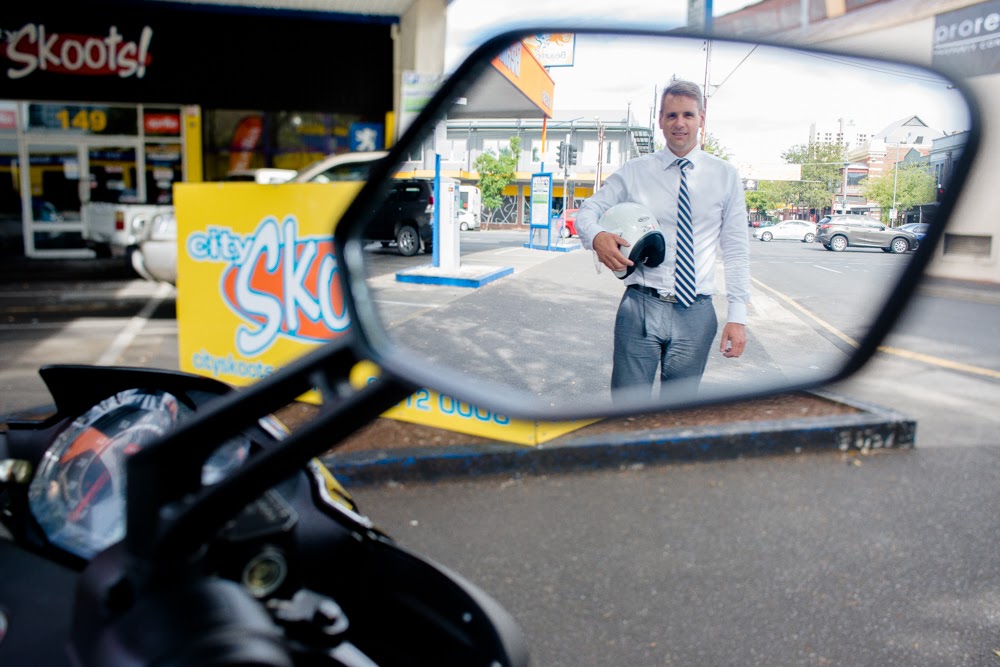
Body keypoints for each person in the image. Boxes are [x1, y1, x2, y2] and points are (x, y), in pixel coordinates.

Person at [575, 79, 750, 401]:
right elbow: (588, 210)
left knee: (676, 413)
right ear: (660, 120)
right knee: (628, 408)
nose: (679, 123)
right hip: (640, 305)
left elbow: (737, 250)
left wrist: (737, 317)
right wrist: (596, 236)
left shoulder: (725, 176)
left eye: (688, 115)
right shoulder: (635, 171)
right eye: (671, 115)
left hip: (696, 312)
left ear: (701, 118)